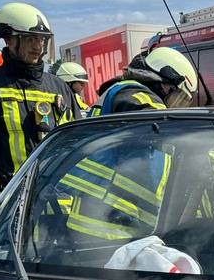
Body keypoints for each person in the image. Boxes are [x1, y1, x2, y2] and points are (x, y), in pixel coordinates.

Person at [61, 48, 197, 241]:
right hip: (106, 226)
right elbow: (157, 120)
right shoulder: (133, 94)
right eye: (181, 98)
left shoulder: (124, 93)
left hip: (112, 221)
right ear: (166, 85)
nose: (179, 106)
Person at [0, 0, 79, 212]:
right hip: (10, 199)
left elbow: (74, 143)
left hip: (57, 199)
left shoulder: (59, 87)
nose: (38, 47)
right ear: (9, 39)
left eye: (42, 40)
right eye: (30, 39)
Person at [91, 47, 197, 117]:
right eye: (178, 96)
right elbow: (161, 126)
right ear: (165, 84)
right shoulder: (134, 94)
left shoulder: (123, 89)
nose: (176, 104)